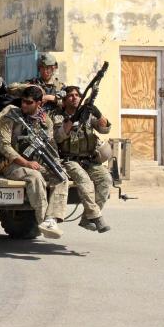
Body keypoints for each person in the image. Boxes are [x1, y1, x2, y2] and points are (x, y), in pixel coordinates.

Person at [0, 85, 68, 239]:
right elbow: (5, 147)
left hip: (36, 163)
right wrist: (26, 163)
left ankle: (51, 219)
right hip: (12, 164)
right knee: (34, 177)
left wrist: (54, 164)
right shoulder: (11, 117)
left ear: (39, 104)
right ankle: (43, 220)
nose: (24, 105)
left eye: (29, 103)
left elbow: (50, 145)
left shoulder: (45, 121)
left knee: (61, 176)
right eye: (23, 101)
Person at [53, 86, 112, 232]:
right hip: (69, 160)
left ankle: (87, 219)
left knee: (105, 180)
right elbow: (59, 137)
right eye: (70, 96)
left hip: (89, 160)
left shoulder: (88, 116)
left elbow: (105, 129)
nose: (74, 97)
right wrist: (73, 119)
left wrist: (98, 115)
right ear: (64, 101)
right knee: (85, 182)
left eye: (77, 95)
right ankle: (96, 217)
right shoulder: (58, 117)